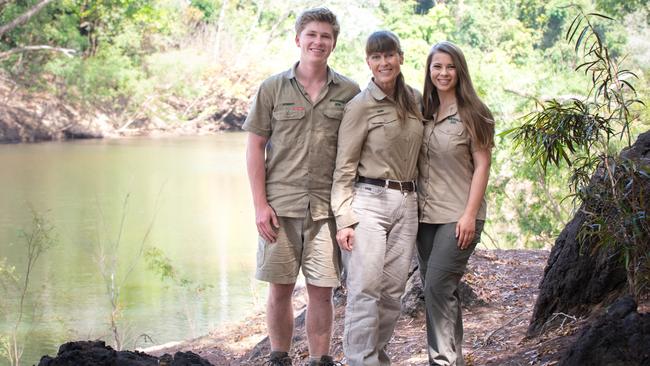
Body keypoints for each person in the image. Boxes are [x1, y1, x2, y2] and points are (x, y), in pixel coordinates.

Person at [243, 7, 360, 366]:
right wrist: (260, 205)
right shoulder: (272, 88)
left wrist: (348, 214)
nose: (318, 42)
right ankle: (279, 358)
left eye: (325, 36)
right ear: (298, 40)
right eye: (311, 35)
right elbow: (254, 148)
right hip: (280, 208)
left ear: (334, 43)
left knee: (321, 294)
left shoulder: (350, 92)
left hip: (327, 211)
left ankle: (319, 359)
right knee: (279, 290)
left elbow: (355, 153)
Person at [331, 30, 423, 366]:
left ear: (401, 57)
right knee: (365, 290)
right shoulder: (360, 106)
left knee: (392, 293)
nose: (383, 62)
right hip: (368, 201)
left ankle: (376, 356)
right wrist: (344, 219)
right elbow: (344, 168)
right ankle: (360, 360)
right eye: (376, 57)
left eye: (389, 55)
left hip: (407, 203)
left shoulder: (416, 100)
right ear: (368, 62)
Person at [416, 41, 495, 366]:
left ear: (459, 70)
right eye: (437, 66)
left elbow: (483, 166)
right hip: (424, 217)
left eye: (449, 66)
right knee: (436, 292)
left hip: (459, 215)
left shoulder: (475, 112)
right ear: (429, 70)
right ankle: (450, 359)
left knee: (437, 286)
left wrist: (469, 215)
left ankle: (445, 361)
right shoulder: (420, 110)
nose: (443, 72)